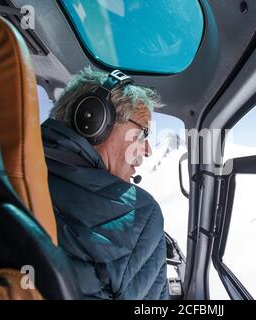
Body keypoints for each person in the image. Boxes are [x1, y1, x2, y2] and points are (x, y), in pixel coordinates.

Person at [41, 67, 169, 299]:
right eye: (142, 134)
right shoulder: (140, 214)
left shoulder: (14, 167)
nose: (148, 150)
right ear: (95, 120)